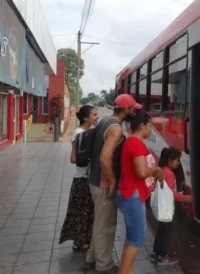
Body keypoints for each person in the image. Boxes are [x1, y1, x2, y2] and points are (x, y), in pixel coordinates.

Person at [85, 94, 141, 273]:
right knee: (106, 226)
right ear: (125, 110)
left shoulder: (105, 120)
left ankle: (92, 257)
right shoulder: (116, 129)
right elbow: (104, 157)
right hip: (102, 183)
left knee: (99, 222)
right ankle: (104, 265)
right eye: (132, 108)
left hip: (94, 180)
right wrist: (112, 180)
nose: (134, 111)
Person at [116, 111, 164, 274]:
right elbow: (142, 172)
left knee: (131, 238)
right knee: (137, 239)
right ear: (142, 126)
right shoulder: (136, 143)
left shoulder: (132, 142)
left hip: (129, 193)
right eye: (150, 126)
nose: (151, 130)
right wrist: (157, 169)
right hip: (133, 195)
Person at [59, 105, 98, 251]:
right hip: (82, 179)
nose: (97, 117)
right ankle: (80, 242)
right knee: (81, 212)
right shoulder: (79, 133)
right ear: (86, 118)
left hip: (86, 178)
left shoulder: (86, 132)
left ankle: (82, 240)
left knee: (85, 211)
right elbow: (74, 158)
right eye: (94, 115)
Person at [151, 147, 192, 265]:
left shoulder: (163, 170)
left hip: (162, 206)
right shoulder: (169, 174)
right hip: (166, 208)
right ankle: (163, 256)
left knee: (161, 230)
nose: (178, 163)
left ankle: (156, 252)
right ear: (170, 160)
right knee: (166, 232)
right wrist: (185, 198)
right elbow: (171, 193)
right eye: (177, 161)